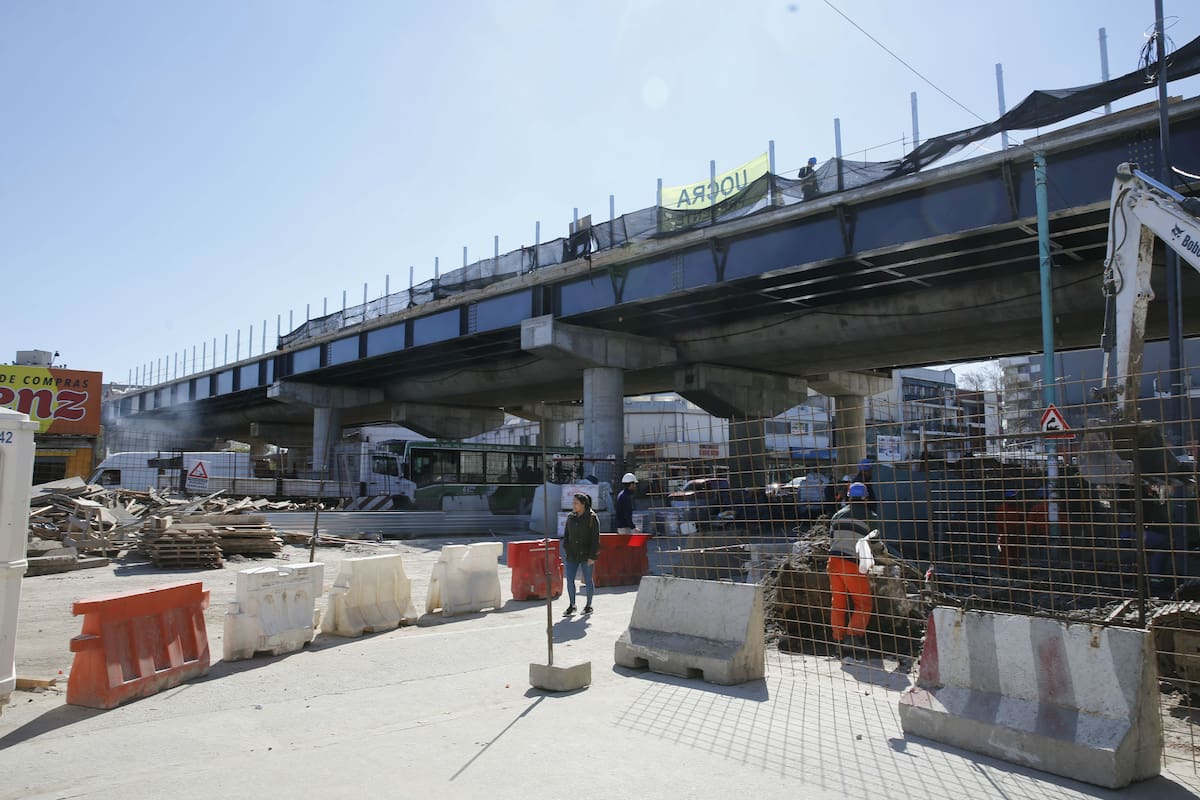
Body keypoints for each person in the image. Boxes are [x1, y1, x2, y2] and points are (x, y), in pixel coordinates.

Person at [827, 482, 880, 659]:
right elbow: (875, 544)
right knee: (864, 603)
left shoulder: (837, 515)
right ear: (865, 497)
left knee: (838, 602)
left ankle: (838, 640)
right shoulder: (870, 516)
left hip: (833, 561)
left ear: (848, 497)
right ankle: (853, 636)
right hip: (851, 563)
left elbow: (832, 538)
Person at [561, 492, 600, 616]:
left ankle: (588, 605)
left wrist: (592, 556)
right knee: (570, 580)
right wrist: (567, 548)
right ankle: (572, 605)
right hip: (572, 554)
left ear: (583, 504)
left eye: (576, 503)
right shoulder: (571, 517)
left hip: (587, 555)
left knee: (588, 580)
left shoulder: (592, 518)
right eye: (573, 503)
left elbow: (595, 539)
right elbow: (566, 535)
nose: (573, 505)